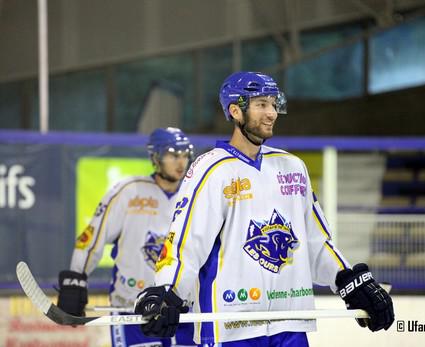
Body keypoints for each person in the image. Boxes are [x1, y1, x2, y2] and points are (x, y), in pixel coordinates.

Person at [134, 72, 394, 346]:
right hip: (232, 326)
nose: (271, 113)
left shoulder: (293, 167)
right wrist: (167, 290)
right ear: (236, 111)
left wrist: (349, 280)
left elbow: (316, 242)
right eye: (261, 105)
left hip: (291, 322)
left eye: (273, 104)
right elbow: (186, 242)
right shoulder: (210, 169)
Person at [57, 127, 196, 347]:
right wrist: (76, 279)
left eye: (185, 154)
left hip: (181, 310)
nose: (181, 162)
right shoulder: (128, 191)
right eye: (172, 154)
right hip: (133, 307)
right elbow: (93, 238)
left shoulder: (195, 194)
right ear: (156, 157)